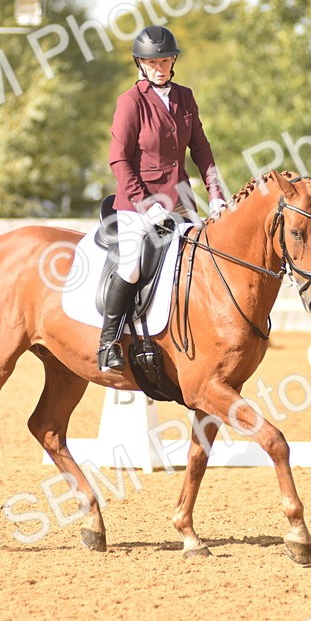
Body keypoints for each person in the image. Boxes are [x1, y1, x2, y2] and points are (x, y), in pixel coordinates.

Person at [98, 25, 227, 373]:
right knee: (130, 265)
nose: (160, 66)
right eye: (152, 62)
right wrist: (146, 205)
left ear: (173, 61)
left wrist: (216, 193)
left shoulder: (185, 97)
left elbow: (201, 149)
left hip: (181, 200)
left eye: (166, 59)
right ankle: (108, 341)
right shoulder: (131, 101)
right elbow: (118, 159)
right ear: (140, 64)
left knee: (205, 256)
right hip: (136, 204)